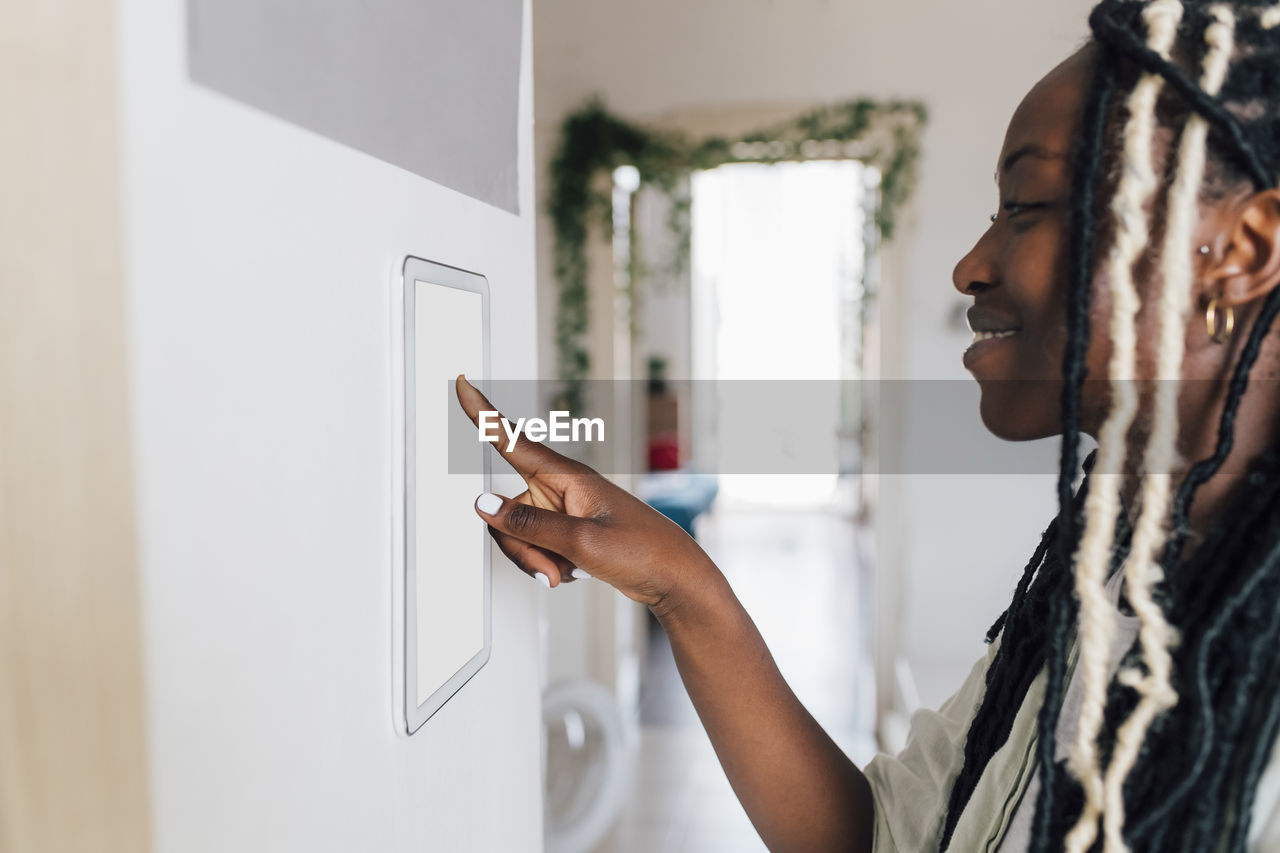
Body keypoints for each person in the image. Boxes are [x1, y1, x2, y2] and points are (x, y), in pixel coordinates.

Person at [455, 0, 1280, 849]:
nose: (971, 265)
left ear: (1244, 252)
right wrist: (682, 583)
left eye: (1027, 204)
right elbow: (878, 835)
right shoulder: (1094, 576)